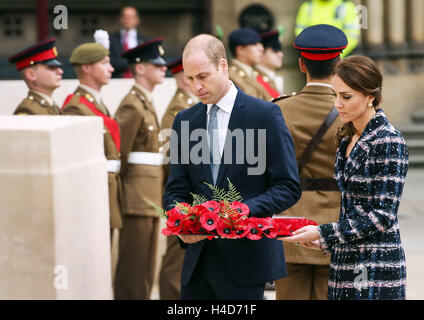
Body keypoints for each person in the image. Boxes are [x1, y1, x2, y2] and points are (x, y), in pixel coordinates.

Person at [163, 34, 301, 300]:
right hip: (197, 264)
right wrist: (180, 221)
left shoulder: (265, 115)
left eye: (203, 76)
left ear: (223, 66)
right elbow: (175, 190)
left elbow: (288, 186)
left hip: (246, 262)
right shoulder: (184, 120)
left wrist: (244, 210)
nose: (196, 86)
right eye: (190, 79)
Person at [282, 55, 409, 300]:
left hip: (376, 264)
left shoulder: (388, 139)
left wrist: (324, 233)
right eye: (335, 95)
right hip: (343, 261)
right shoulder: (347, 136)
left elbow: (382, 215)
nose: (338, 103)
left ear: (370, 96)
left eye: (346, 96)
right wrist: (325, 242)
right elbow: (350, 209)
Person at [273, 24, 346, 300]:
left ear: (302, 64)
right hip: (337, 226)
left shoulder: (278, 109)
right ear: (339, 64)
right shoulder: (349, 110)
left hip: (290, 225)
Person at [113, 38, 167, 300]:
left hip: (148, 196)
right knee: (133, 267)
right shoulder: (132, 104)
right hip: (136, 197)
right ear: (141, 69)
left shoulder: (145, 101)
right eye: (155, 64)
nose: (163, 68)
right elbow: (119, 154)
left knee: (146, 266)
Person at [62, 43, 122, 235]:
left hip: (107, 191)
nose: (111, 68)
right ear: (87, 68)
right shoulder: (77, 106)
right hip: (93, 194)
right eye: (104, 63)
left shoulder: (94, 103)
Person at [158, 56, 198, 300]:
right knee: (176, 255)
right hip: (182, 193)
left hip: (189, 191)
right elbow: (171, 160)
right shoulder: (179, 111)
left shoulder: (189, 105)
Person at [8, 38, 63, 115]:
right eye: (51, 67)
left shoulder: (50, 105)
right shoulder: (28, 111)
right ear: (31, 75)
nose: (60, 71)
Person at [295, 0, 360, 57]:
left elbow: (352, 36)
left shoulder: (347, 6)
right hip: (311, 58)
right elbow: (300, 33)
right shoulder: (307, 7)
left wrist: (335, 55)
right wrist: (313, 54)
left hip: (339, 56)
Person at [227, 28, 270, 100]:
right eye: (255, 44)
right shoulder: (231, 77)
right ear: (241, 50)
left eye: (260, 44)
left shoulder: (258, 73)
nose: (261, 49)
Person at [109, 6, 148, 78]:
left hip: (139, 79)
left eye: (131, 17)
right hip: (116, 81)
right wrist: (134, 62)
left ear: (137, 20)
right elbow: (109, 62)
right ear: (120, 19)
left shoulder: (145, 40)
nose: (127, 19)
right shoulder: (110, 39)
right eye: (125, 16)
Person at [255, 30, 284, 98]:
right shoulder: (256, 80)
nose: (281, 54)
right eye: (275, 50)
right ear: (261, 52)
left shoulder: (271, 77)